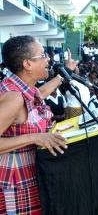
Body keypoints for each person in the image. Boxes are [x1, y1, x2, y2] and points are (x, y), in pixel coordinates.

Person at [0, 35, 74, 214]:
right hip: (16, 184)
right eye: (43, 55)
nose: (49, 58)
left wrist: (66, 73)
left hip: (29, 176)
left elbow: (41, 93)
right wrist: (34, 137)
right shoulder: (13, 98)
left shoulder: (23, 87)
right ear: (28, 64)